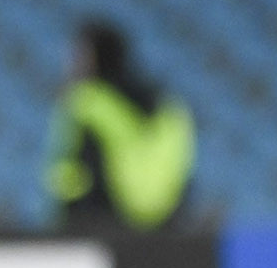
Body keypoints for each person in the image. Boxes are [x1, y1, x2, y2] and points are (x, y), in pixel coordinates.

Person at [44, 19, 196, 231]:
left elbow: (70, 173)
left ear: (91, 56)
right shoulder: (168, 105)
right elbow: (182, 167)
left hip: (103, 228)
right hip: (166, 227)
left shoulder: (84, 103)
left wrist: (66, 223)